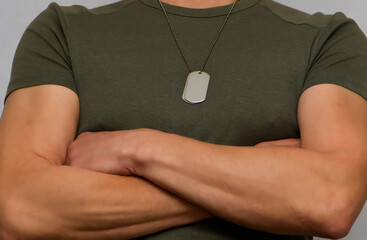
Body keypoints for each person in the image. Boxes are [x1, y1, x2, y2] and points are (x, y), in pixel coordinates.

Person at [0, 0, 366, 239]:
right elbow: (19, 208)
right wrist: (260, 184)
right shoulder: (60, 31)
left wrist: (136, 149)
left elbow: (329, 199)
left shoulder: (330, 39)